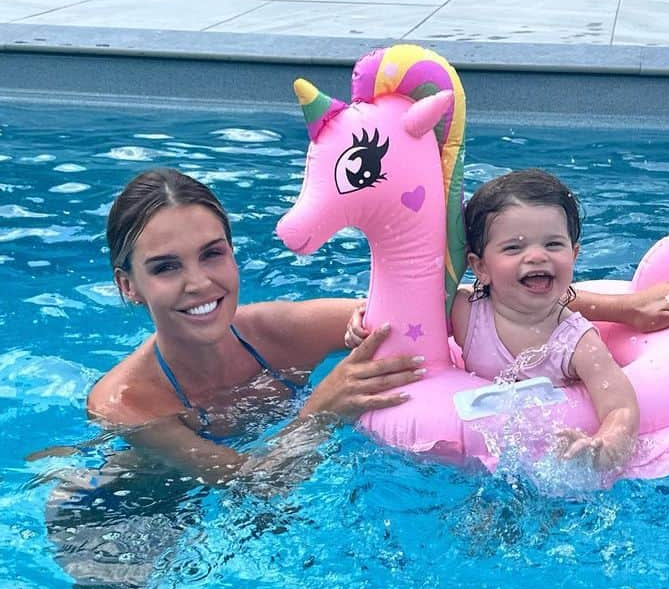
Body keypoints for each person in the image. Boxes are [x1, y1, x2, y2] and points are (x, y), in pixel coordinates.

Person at [349, 168, 669, 475]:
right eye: (514, 247)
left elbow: (622, 407)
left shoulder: (576, 342)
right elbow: (404, 322)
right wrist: (362, 320)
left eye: (553, 244)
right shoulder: (465, 312)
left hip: (545, 466)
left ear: (574, 254)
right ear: (479, 266)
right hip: (470, 455)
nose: (536, 256)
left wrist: (602, 448)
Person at [86, 167, 424, 487]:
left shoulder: (278, 331)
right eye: (166, 267)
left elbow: (418, 314)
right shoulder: (125, 402)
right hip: (125, 506)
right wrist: (322, 412)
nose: (199, 283)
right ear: (129, 286)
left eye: (212, 255)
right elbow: (253, 483)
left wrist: (366, 316)